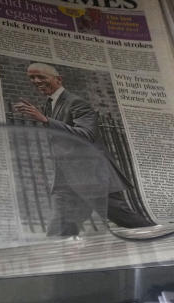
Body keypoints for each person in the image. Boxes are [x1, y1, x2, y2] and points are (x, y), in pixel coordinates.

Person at [12, 62, 152, 235]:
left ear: (58, 79)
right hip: (67, 176)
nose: (36, 81)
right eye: (32, 77)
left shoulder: (77, 103)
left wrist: (46, 120)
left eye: (41, 76)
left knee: (122, 216)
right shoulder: (50, 104)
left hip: (90, 174)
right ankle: (60, 255)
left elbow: (86, 135)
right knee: (61, 224)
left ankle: (156, 234)